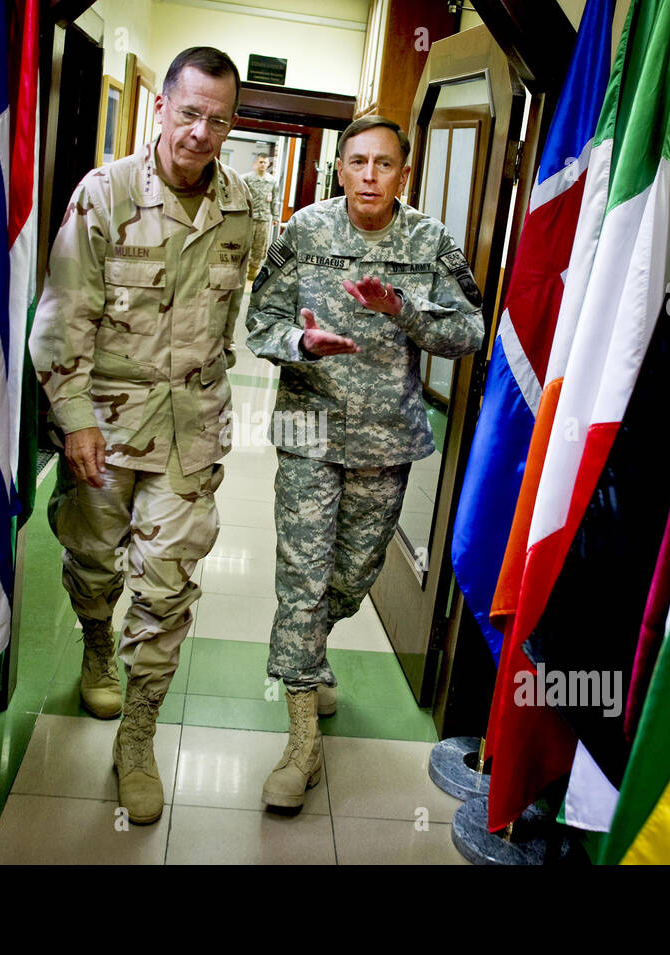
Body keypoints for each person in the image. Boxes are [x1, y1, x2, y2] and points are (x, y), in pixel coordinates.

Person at [29, 46, 251, 825]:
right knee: (94, 559)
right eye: (188, 113)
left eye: (217, 120)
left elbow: (231, 320)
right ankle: (96, 639)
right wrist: (74, 418)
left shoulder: (242, 208)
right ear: (161, 107)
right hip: (108, 428)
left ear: (231, 124)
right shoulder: (107, 194)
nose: (199, 133)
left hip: (191, 435)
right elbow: (63, 315)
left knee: (167, 586)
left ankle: (138, 735)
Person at [246, 115, 484, 809]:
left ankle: (310, 651)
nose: (370, 175)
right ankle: (301, 741)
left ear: (404, 173)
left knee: (352, 576)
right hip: (309, 425)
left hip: (386, 436)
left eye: (384, 163)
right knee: (303, 577)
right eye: (358, 162)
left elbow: (470, 329)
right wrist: (302, 343)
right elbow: (259, 321)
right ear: (341, 168)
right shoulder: (304, 230)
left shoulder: (429, 241)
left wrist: (403, 309)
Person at [241, 153, 278, 282]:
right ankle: (241, 269)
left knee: (260, 246)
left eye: (265, 162)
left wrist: (275, 216)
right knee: (245, 244)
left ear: (268, 164)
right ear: (255, 163)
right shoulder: (246, 178)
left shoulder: (272, 181)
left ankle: (253, 270)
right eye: (260, 162)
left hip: (264, 218)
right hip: (249, 217)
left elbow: (275, 199)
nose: (262, 165)